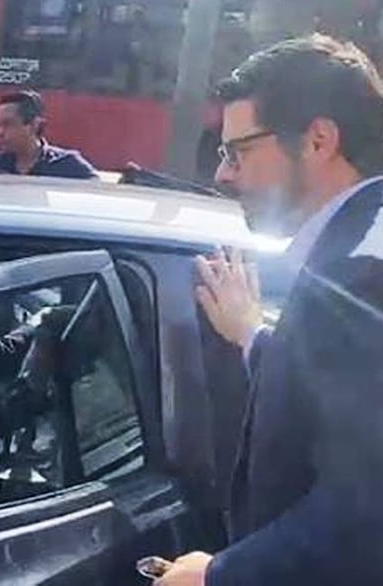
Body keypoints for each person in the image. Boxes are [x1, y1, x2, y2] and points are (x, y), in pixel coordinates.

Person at [157, 34, 383, 585]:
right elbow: (336, 397)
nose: (223, 175)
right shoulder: (354, 250)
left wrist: (217, 575)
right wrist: (253, 336)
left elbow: (366, 506)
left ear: (318, 140)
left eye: (240, 152)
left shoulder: (363, 273)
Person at [0, 91, 99, 179]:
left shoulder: (68, 165)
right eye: (0, 125)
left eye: (8, 124)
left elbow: (97, 192)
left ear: (33, 125)